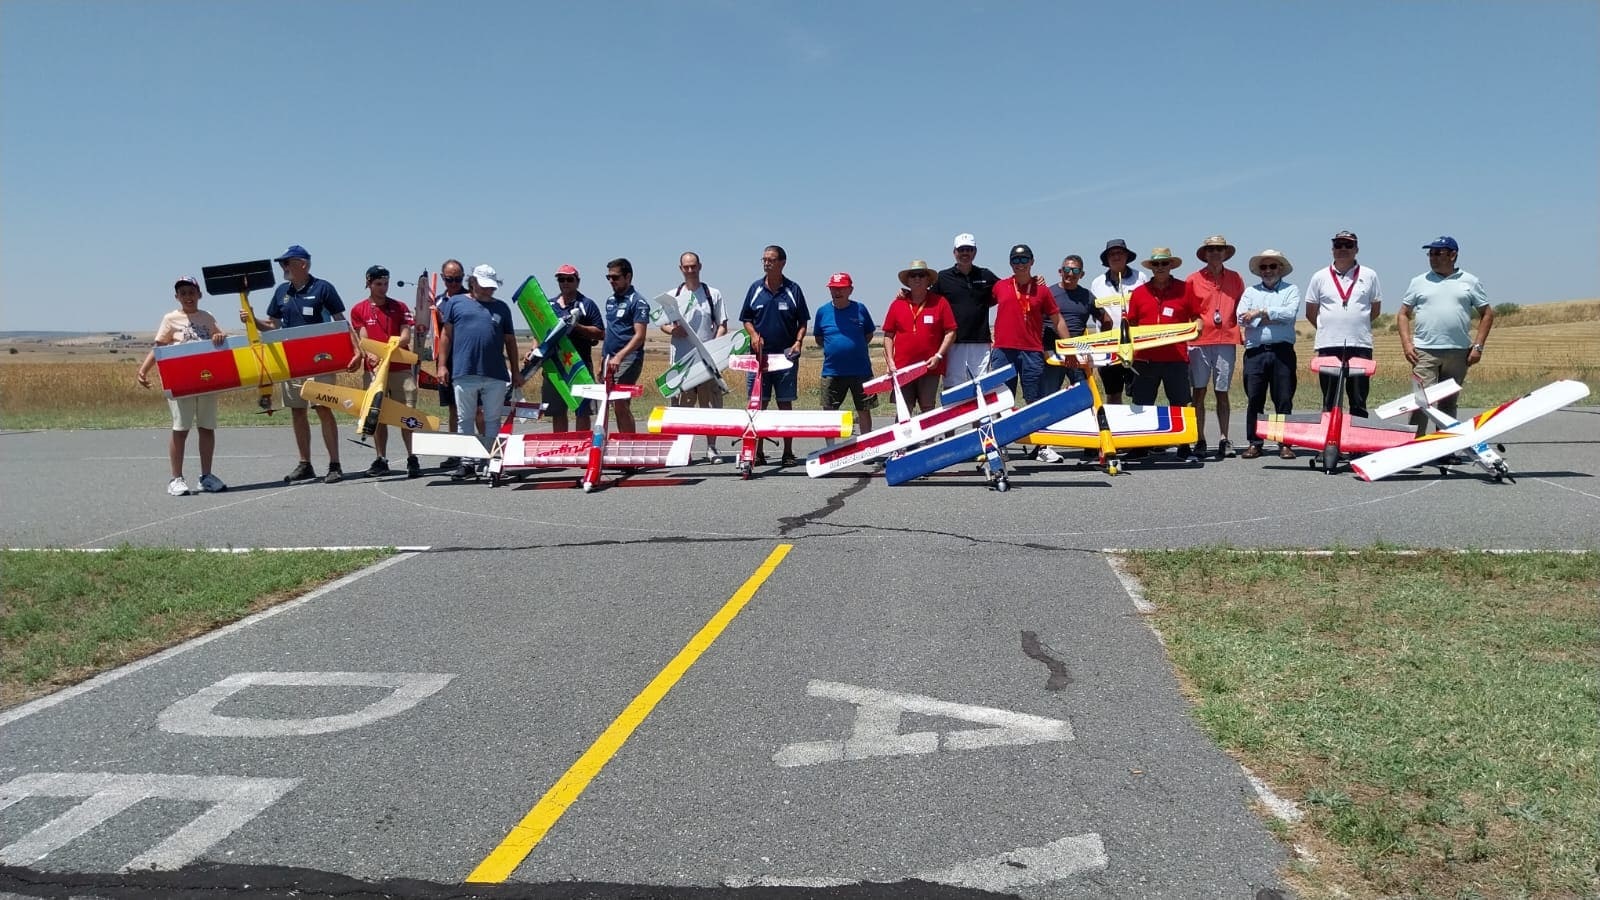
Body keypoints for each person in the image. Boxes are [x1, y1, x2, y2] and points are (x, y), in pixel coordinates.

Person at [244, 244, 357, 484]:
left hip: (320, 361)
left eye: (287, 263)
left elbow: (341, 322)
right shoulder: (281, 292)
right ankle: (305, 463)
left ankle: (334, 464)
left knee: (323, 408)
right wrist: (253, 319)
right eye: (282, 264)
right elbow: (273, 327)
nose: (283, 268)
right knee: (297, 410)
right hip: (290, 361)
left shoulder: (323, 288)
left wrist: (355, 350)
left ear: (303, 264)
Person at [137, 276, 229, 496]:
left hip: (206, 379)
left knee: (207, 427)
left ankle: (206, 476)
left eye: (191, 292)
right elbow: (158, 347)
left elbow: (220, 337)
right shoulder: (170, 319)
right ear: (177, 297)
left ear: (199, 294)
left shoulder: (207, 317)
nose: (188, 297)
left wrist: (219, 336)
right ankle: (176, 478)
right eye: (183, 293)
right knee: (181, 428)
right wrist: (143, 370)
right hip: (181, 380)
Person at [1398, 236, 1494, 435]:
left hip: (1458, 352)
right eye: (1430, 253)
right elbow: (1403, 314)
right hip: (1424, 351)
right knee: (1422, 401)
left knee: (1449, 402)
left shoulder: (1470, 281)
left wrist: (1478, 347)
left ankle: (1446, 448)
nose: (1432, 257)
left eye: (1438, 253)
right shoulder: (1418, 281)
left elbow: (1487, 314)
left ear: (1453, 255)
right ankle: (1415, 446)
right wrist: (1407, 344)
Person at [437, 264, 522, 477]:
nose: (488, 290)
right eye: (484, 286)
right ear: (473, 282)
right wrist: (441, 365)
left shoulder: (502, 308)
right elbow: (446, 336)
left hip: (495, 374)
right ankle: (466, 463)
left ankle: (491, 462)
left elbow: (510, 342)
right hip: (464, 372)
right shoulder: (455, 303)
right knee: (465, 418)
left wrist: (516, 371)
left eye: (491, 287)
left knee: (492, 419)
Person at [739, 244, 810, 466]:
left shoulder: (793, 289)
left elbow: (803, 321)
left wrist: (798, 342)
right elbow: (746, 318)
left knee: (785, 405)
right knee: (759, 405)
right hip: (759, 359)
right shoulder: (755, 289)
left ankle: (788, 452)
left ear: (782, 263)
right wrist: (753, 334)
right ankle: (757, 453)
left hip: (785, 359)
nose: (766, 263)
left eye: (771, 259)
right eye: (764, 260)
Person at [348, 265, 421, 478]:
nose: (383, 288)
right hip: (374, 370)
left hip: (399, 368)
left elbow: (406, 334)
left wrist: (390, 349)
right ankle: (381, 458)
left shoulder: (400, 307)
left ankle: (412, 457)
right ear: (369, 283)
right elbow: (363, 338)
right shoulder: (359, 309)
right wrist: (370, 353)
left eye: (386, 283)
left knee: (407, 413)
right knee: (376, 414)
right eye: (378, 284)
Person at [1126, 248, 1197, 462]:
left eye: (1164, 264)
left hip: (1175, 357)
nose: (1160, 268)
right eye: (1156, 265)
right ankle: (1140, 445)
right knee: (1142, 404)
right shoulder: (1139, 292)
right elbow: (1131, 322)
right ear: (1151, 267)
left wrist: (1198, 328)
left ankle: (1184, 445)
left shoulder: (1185, 289)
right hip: (1145, 358)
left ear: (1171, 265)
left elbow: (1197, 315)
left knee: (1179, 402)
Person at [1304, 230, 1382, 416]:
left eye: (1348, 245)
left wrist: (1356, 324)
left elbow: (1375, 310)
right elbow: (1310, 312)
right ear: (1332, 249)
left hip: (1359, 344)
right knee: (1329, 398)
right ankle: (1330, 442)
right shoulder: (1319, 277)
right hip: (1329, 344)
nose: (1343, 249)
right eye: (1338, 245)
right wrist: (1329, 327)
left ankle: (1357, 442)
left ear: (1356, 249)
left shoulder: (1369, 275)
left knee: (1358, 397)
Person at [661, 251, 727, 460]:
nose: (690, 270)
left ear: (700, 266)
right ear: (680, 269)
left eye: (693, 266)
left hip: (706, 361)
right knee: (683, 408)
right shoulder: (672, 296)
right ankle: (684, 450)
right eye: (686, 267)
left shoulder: (712, 294)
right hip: (682, 363)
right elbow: (661, 323)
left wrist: (715, 348)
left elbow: (722, 325)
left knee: (710, 406)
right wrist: (672, 331)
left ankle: (712, 447)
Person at [1237, 249, 1301, 459]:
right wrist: (1271, 316)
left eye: (1272, 266)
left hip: (1282, 352)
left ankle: (1285, 443)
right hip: (1255, 352)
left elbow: (1290, 315)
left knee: (1283, 399)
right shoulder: (1250, 292)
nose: (1268, 271)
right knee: (1254, 398)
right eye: (1263, 267)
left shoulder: (1291, 290)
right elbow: (1241, 318)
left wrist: (1260, 312)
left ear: (1280, 268)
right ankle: (1255, 443)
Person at [1186, 235, 1246, 460]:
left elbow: (1242, 306)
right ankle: (1199, 439)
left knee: (1222, 391)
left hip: (1226, 339)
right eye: (1211, 249)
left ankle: (1224, 438)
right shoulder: (1193, 279)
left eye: (1219, 249)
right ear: (1205, 253)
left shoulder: (1236, 278)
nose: (1215, 253)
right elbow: (1187, 310)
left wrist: (1243, 329)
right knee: (1198, 392)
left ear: (1225, 253)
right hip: (1199, 341)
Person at [988, 244, 1069, 406]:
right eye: (1015, 260)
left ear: (1032, 261)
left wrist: (1070, 347)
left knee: (1033, 400)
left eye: (1024, 259)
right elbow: (980, 308)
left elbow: (1057, 320)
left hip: (1031, 351)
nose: (1020, 264)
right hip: (1003, 350)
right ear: (1010, 263)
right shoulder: (1000, 286)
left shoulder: (1042, 290)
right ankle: (1006, 431)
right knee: (1002, 401)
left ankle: (1033, 431)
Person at [882, 259, 957, 413]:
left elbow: (951, 332)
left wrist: (938, 356)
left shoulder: (940, 302)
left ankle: (930, 438)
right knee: (904, 409)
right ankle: (903, 438)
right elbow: (888, 335)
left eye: (921, 275)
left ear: (928, 280)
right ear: (908, 280)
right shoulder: (897, 304)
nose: (917, 278)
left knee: (928, 407)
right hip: (902, 368)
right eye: (913, 275)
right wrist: (890, 361)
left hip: (929, 368)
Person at [812, 272, 877, 437]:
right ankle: (830, 449)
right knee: (829, 410)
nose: (837, 292)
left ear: (850, 290)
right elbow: (819, 338)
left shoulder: (860, 309)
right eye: (833, 288)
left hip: (860, 370)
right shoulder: (822, 312)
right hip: (832, 371)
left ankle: (866, 445)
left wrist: (853, 348)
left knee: (864, 408)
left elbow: (868, 335)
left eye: (841, 288)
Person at [936, 233, 1000, 394]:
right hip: (954, 342)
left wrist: (1033, 281)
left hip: (980, 341)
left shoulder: (985, 275)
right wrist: (905, 295)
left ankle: (979, 420)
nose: (965, 253)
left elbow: (1008, 289)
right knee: (953, 386)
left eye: (969, 249)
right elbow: (927, 299)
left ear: (975, 252)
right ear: (954, 252)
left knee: (981, 386)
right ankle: (955, 419)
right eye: (961, 249)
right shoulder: (942, 277)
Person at [543, 263, 604, 433]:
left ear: (577, 281)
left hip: (579, 365)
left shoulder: (587, 304)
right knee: (557, 411)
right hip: (554, 364)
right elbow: (539, 332)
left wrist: (577, 327)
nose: (565, 283)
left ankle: (581, 447)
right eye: (561, 279)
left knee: (583, 410)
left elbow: (600, 332)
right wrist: (534, 349)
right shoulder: (549, 304)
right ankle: (562, 448)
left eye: (569, 279)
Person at [1088, 239, 1149, 403]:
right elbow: (1095, 312)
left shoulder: (1140, 277)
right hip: (1109, 346)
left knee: (1140, 393)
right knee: (1113, 393)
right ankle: (1114, 427)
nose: (1116, 257)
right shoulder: (1097, 283)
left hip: (1136, 345)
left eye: (1120, 253)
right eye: (1112, 254)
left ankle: (1137, 427)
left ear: (1127, 256)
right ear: (1107, 259)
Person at [431, 259, 475, 472]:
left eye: (458, 279)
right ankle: (456, 451)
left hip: (465, 358)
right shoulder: (438, 301)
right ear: (443, 278)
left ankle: (476, 449)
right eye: (450, 279)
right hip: (446, 360)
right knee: (452, 406)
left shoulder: (470, 298)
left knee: (474, 408)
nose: (454, 283)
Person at [600, 257, 650, 433]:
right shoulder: (610, 301)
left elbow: (640, 336)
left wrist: (620, 356)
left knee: (620, 400)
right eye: (609, 278)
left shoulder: (638, 302)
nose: (611, 281)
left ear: (628, 277)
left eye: (615, 277)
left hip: (629, 358)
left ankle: (630, 443)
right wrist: (604, 360)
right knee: (612, 403)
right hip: (609, 359)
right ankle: (620, 441)